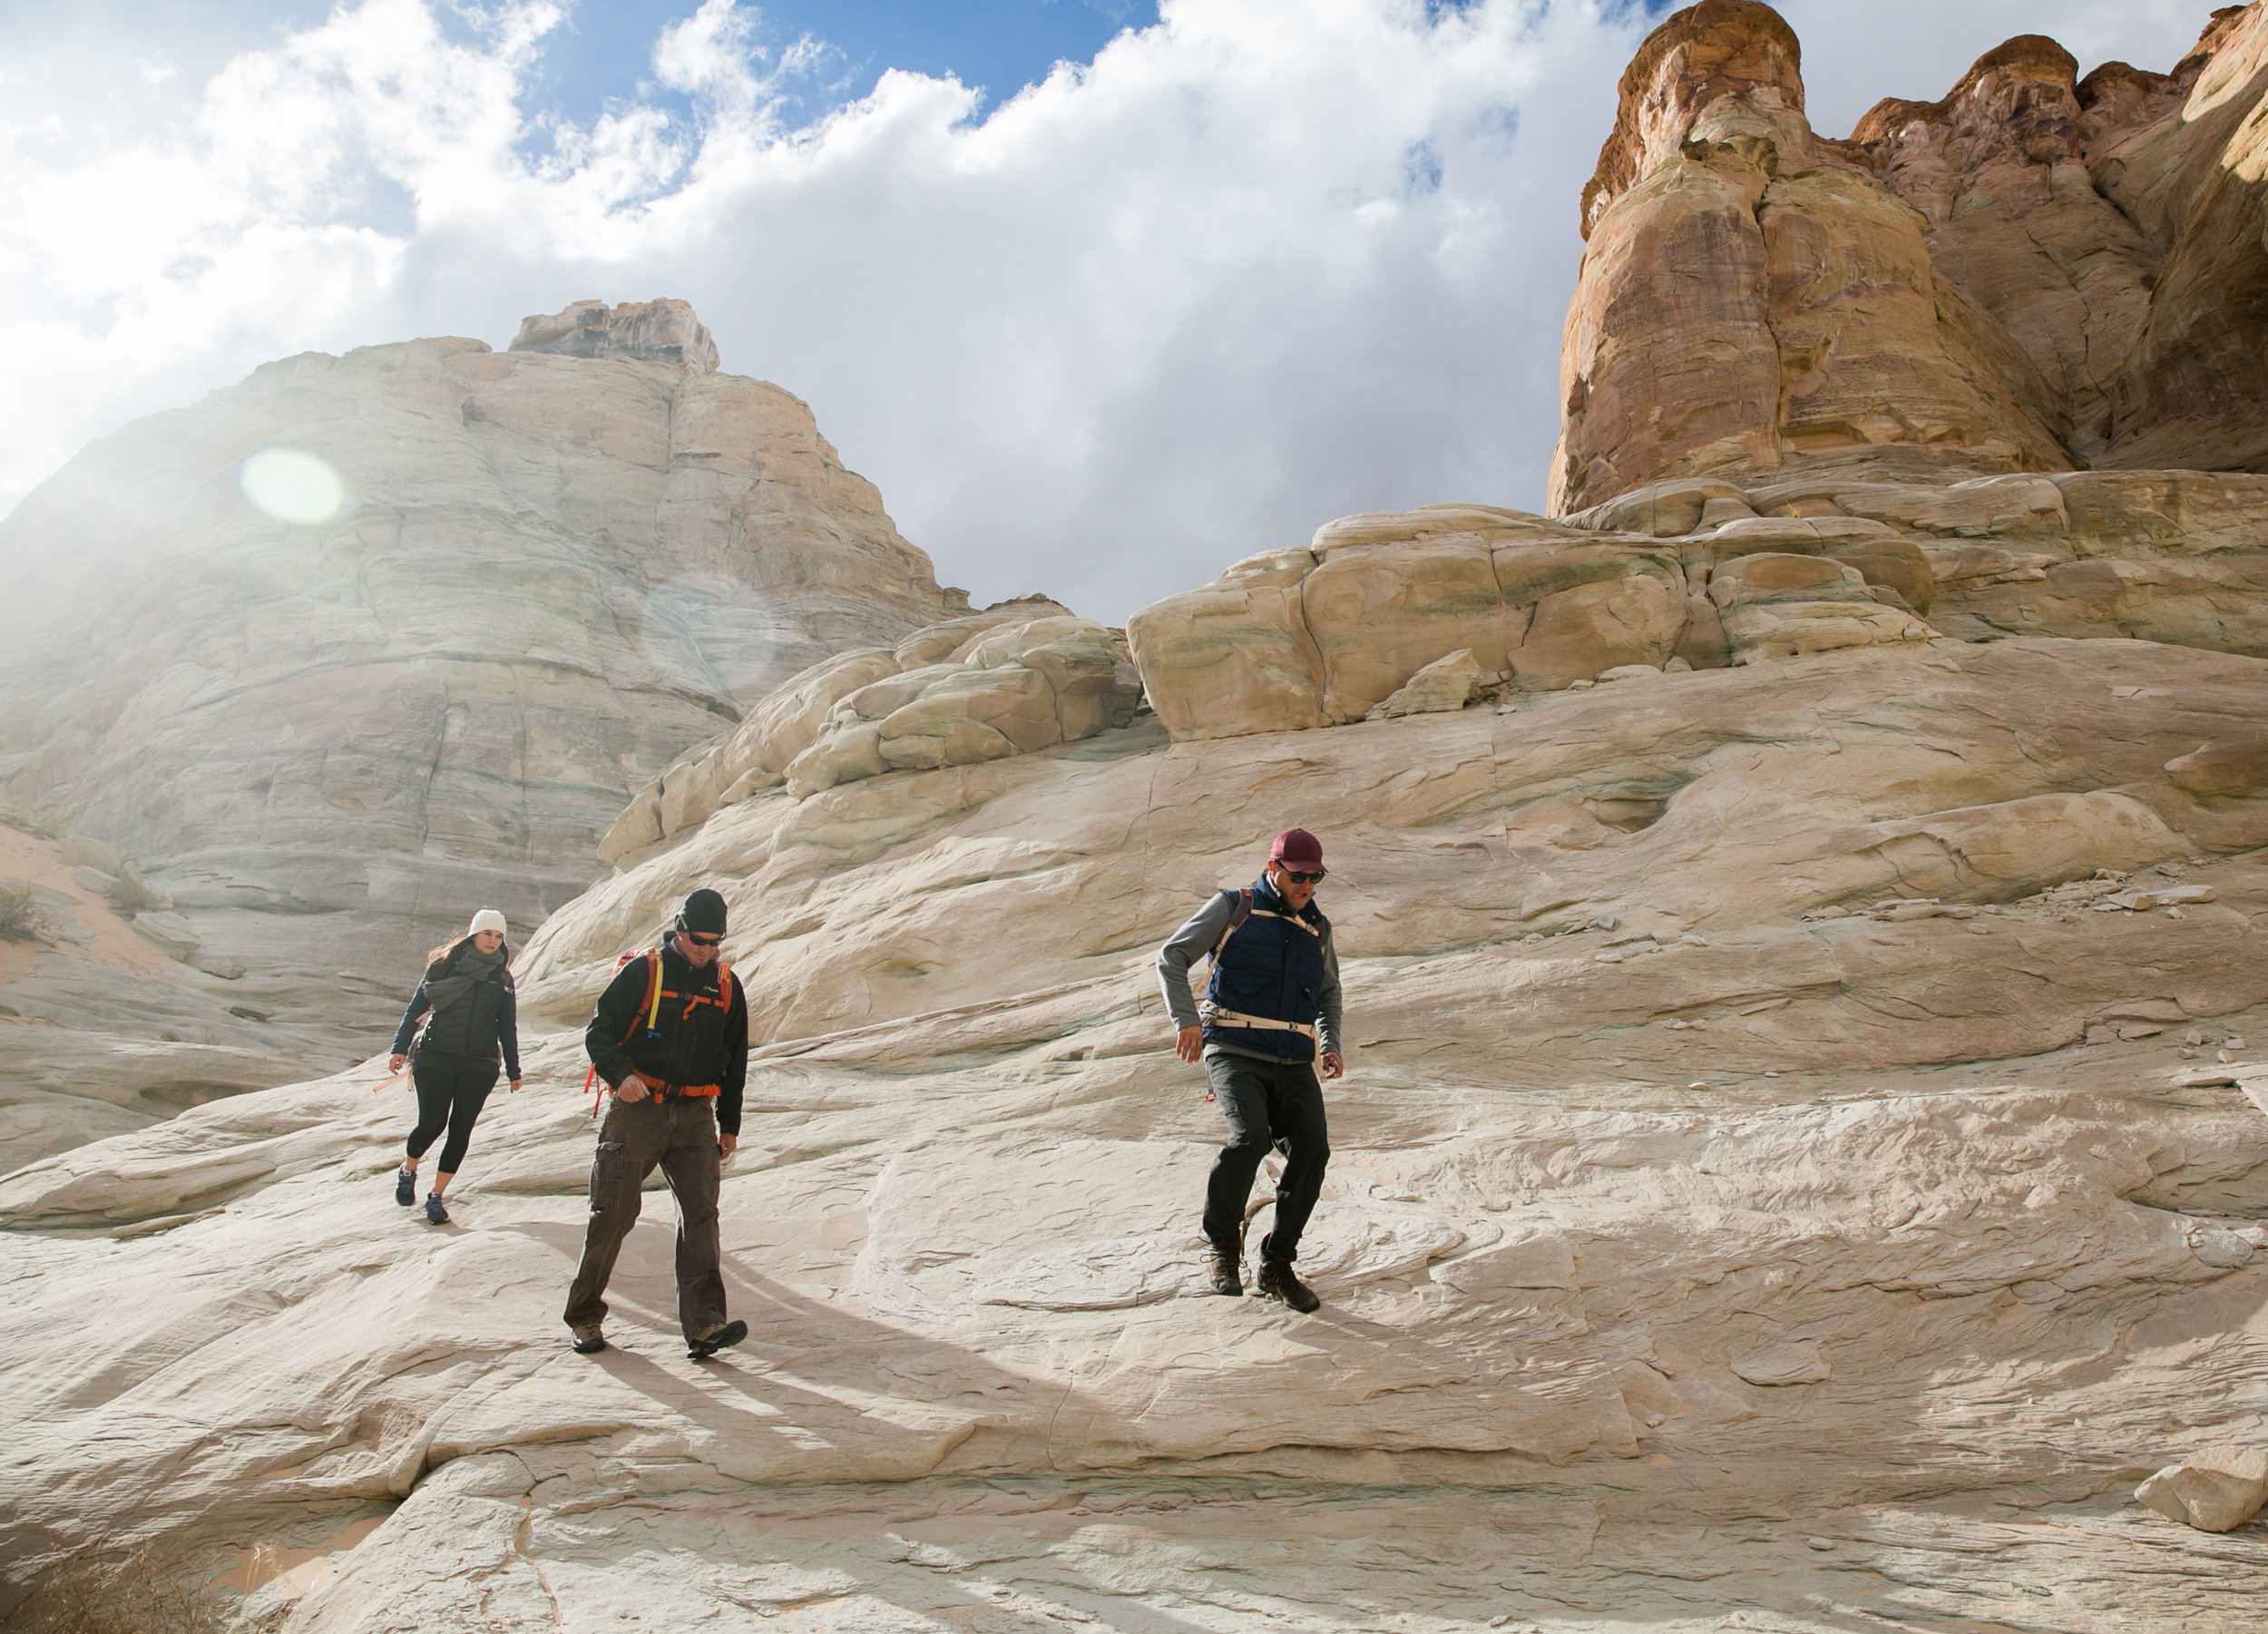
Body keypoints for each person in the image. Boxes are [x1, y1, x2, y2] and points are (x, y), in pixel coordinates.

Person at [1157, 827, 1343, 1313]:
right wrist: (1186, 1021)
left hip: (1293, 1059)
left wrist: (1330, 1043)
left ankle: (1277, 1263)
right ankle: (1223, 1248)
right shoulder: (1234, 906)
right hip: (1233, 1048)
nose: (1307, 884)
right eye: (1299, 875)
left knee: (1313, 1150)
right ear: (1273, 869)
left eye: (1315, 876)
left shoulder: (1318, 928)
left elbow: (1327, 994)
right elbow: (1172, 957)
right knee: (1250, 1138)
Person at [564, 887, 751, 1360]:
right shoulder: (644, 971)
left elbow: (736, 1061)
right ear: (679, 929)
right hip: (639, 1109)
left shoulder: (727, 985)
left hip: (695, 1117)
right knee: (613, 1214)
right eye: (697, 940)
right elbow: (598, 1031)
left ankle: (706, 1326)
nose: (705, 949)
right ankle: (585, 1317)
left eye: (714, 942)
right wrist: (620, 1076)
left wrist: (729, 1124)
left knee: (702, 1217)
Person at [388, 908, 523, 1225]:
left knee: (461, 1129)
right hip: (436, 1055)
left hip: (480, 1062)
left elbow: (507, 1026)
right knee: (432, 1124)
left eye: (499, 936)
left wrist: (514, 1069)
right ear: (474, 934)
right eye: (487, 933)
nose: (493, 940)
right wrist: (398, 1048)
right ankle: (409, 1170)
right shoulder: (443, 967)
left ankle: (436, 1197)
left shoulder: (502, 978)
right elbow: (414, 1012)